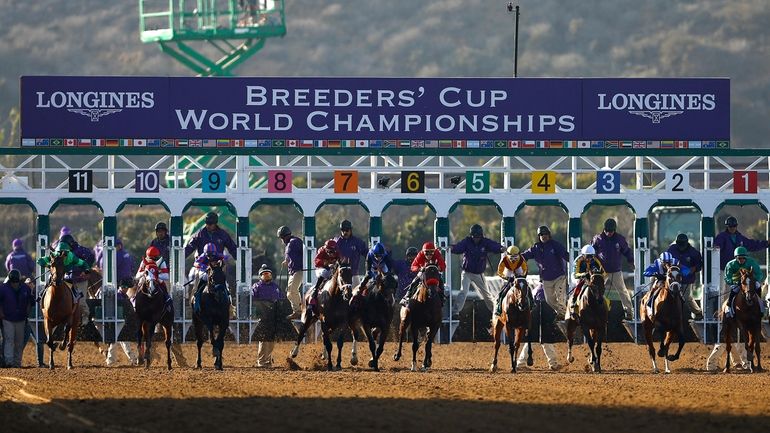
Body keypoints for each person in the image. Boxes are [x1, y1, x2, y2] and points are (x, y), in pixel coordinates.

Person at [520, 225, 569, 370]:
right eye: (541, 234)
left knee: (537, 337)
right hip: (541, 308)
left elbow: (567, 256)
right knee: (542, 336)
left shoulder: (555, 246)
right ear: (539, 236)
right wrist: (516, 256)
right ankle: (548, 363)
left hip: (542, 307)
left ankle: (527, 363)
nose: (544, 236)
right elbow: (525, 255)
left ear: (549, 235)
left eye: (546, 234)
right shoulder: (536, 248)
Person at [705, 246, 758, 371]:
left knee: (756, 290)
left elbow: (759, 273)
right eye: (739, 258)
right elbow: (727, 277)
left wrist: (757, 280)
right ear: (736, 258)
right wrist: (734, 282)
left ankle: (761, 307)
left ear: (746, 258)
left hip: (748, 285)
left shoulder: (752, 263)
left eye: (743, 258)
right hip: (736, 286)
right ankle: (728, 306)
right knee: (734, 292)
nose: (741, 260)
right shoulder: (730, 264)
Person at [450, 224, 506, 317]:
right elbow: (459, 247)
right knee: (463, 291)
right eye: (474, 237)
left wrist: (501, 248)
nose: (476, 239)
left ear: (481, 236)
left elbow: (493, 245)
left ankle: (496, 312)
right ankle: (455, 311)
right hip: (467, 272)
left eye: (478, 237)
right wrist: (452, 248)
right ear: (471, 236)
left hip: (479, 274)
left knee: (486, 294)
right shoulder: (467, 241)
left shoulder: (485, 242)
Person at [591, 218, 635, 320]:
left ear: (614, 230)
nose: (608, 233)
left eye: (611, 231)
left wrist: (630, 261)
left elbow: (627, 251)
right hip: (601, 271)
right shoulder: (597, 239)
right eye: (607, 230)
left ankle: (629, 312)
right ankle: (591, 310)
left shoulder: (620, 239)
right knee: (595, 289)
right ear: (604, 229)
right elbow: (591, 252)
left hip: (615, 270)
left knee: (622, 291)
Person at [56, 232, 95, 324]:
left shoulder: (81, 250)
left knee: (80, 301)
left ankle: (85, 315)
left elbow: (91, 257)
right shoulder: (61, 251)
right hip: (68, 280)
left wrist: (85, 270)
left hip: (80, 280)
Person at [252, 265, 284, 367]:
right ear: (260, 276)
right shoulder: (256, 287)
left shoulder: (276, 287)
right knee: (264, 339)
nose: (266, 275)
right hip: (263, 317)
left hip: (273, 317)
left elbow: (281, 300)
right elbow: (253, 301)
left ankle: (268, 360)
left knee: (271, 340)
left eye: (268, 274)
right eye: (264, 274)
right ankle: (261, 361)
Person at [0, 270, 34, 367]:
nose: (15, 284)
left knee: (19, 342)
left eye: (16, 282)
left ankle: (17, 362)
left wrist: (31, 290)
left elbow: (31, 301)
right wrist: (1, 313)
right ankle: (9, 362)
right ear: (10, 281)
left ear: (19, 281)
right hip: (7, 319)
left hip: (21, 319)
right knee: (9, 340)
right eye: (13, 282)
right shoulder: (3, 288)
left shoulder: (25, 288)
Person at [666, 233, 704, 320]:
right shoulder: (671, 249)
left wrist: (692, 269)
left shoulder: (694, 252)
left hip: (686, 279)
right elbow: (665, 260)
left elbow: (699, 265)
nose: (681, 247)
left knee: (686, 297)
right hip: (673, 278)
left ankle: (697, 312)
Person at [400, 242, 447, 307]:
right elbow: (413, 266)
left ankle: (442, 297)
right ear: (423, 252)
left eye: (431, 253)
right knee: (415, 280)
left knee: (440, 280)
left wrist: (439, 268)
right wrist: (419, 268)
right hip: (424, 272)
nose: (429, 256)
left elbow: (443, 265)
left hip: (433, 271)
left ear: (434, 251)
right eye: (427, 253)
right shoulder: (420, 254)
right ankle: (407, 296)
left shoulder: (437, 253)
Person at [567, 245, 606, 320]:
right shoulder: (579, 261)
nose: (589, 259)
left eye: (591, 256)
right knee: (580, 284)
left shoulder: (596, 260)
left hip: (591, 278)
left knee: (599, 285)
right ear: (583, 255)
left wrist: (597, 275)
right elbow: (575, 274)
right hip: (579, 277)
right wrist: (584, 274)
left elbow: (603, 272)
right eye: (587, 256)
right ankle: (574, 300)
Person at [189, 243, 227, 312]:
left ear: (215, 253)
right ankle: (196, 299)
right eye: (208, 255)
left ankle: (228, 299)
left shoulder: (218, 255)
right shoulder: (203, 256)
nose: (210, 257)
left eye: (212, 255)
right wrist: (203, 266)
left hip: (215, 272)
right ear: (205, 253)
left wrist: (221, 261)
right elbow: (195, 263)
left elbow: (225, 257)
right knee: (203, 279)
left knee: (224, 282)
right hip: (204, 272)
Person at [277, 226, 304, 320]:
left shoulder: (294, 242)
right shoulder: (289, 244)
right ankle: (296, 310)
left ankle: (300, 311)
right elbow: (291, 256)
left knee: (293, 290)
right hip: (292, 271)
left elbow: (302, 253)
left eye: (281, 238)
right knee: (289, 293)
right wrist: (286, 261)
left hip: (299, 270)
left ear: (283, 236)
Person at [306, 239, 340, 313]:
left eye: (334, 251)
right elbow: (316, 262)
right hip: (320, 269)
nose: (332, 253)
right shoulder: (321, 250)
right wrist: (326, 263)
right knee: (325, 273)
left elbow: (340, 260)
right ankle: (314, 294)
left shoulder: (337, 252)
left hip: (332, 270)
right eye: (330, 251)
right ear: (326, 249)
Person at [494, 245, 528, 317]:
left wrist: (521, 276)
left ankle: (532, 303)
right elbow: (499, 272)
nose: (513, 259)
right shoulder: (504, 260)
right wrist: (506, 278)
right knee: (502, 292)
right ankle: (499, 308)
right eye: (511, 257)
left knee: (526, 289)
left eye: (515, 256)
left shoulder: (521, 259)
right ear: (507, 254)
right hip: (508, 271)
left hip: (518, 270)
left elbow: (525, 269)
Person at [334, 220, 367, 284]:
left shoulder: (357, 242)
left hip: (354, 274)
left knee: (358, 293)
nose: (345, 232)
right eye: (343, 230)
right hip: (339, 274)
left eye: (347, 230)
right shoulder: (336, 242)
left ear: (351, 230)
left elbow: (367, 254)